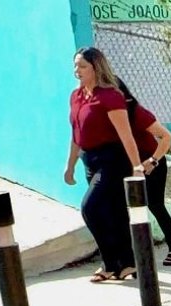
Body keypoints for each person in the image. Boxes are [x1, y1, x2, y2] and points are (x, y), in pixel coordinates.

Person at [64, 47, 146, 282]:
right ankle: (127, 264)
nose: (76, 71)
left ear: (95, 67)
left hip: (112, 160)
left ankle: (111, 263)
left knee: (90, 208)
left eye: (82, 66)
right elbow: (76, 134)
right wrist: (70, 166)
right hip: (89, 159)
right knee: (113, 212)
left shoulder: (110, 96)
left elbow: (126, 134)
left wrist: (136, 166)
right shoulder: (76, 96)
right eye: (75, 65)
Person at [117, 79, 171, 265]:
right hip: (127, 164)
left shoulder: (136, 112)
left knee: (155, 205)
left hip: (150, 161)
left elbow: (166, 136)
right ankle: (128, 257)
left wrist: (153, 160)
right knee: (122, 208)